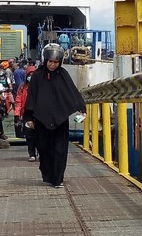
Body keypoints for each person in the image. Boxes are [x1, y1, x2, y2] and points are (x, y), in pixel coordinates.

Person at [23, 43, 86, 188]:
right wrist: (28, 117)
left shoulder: (63, 75)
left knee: (60, 150)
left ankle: (58, 179)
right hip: (41, 119)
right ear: (45, 60)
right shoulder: (38, 76)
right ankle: (49, 175)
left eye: (56, 62)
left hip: (59, 119)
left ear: (60, 62)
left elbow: (72, 92)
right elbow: (31, 97)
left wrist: (82, 109)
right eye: (50, 62)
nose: (52, 65)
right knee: (44, 149)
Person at [15, 65, 37, 161]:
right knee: (29, 135)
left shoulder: (40, 86)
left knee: (40, 135)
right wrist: (17, 114)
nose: (31, 76)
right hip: (27, 114)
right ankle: (32, 154)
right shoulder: (22, 86)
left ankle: (40, 153)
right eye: (29, 74)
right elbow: (18, 100)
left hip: (39, 113)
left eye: (33, 74)